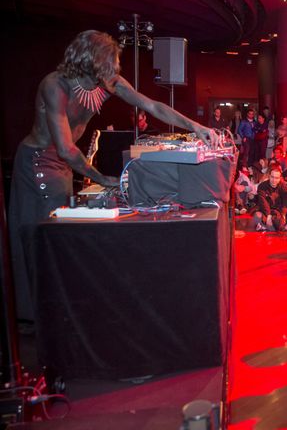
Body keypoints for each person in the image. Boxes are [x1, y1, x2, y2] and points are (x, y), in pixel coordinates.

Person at [8, 30, 218, 323]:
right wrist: (103, 179)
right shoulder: (55, 84)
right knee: (39, 238)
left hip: (66, 164)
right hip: (39, 163)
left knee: (57, 233)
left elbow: (153, 106)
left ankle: (56, 310)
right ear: (89, 60)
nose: (113, 74)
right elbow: (66, 148)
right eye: (107, 66)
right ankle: (36, 319)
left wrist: (194, 126)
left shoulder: (107, 82)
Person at [253, 165, 287, 232]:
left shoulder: (284, 187)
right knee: (257, 216)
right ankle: (267, 227)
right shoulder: (262, 186)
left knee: (278, 223)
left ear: (280, 178)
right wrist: (268, 215)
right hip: (266, 211)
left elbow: (286, 203)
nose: (274, 180)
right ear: (269, 176)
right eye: (272, 177)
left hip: (278, 212)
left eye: (276, 178)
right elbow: (263, 202)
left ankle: (264, 227)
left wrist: (283, 214)